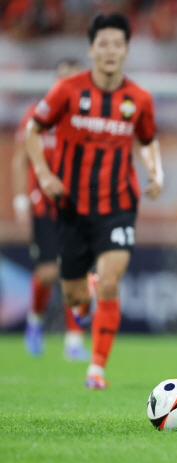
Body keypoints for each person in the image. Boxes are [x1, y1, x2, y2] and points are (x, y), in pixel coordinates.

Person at [26, 13, 164, 389]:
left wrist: (156, 172)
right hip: (71, 208)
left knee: (109, 282)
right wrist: (44, 174)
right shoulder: (67, 90)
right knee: (75, 295)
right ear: (91, 49)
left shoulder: (139, 98)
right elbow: (32, 130)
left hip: (118, 205)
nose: (109, 51)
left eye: (117, 44)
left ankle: (96, 369)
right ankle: (81, 300)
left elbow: (148, 139)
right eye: (102, 43)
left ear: (126, 50)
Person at [13, 58, 90, 360]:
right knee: (47, 273)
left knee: (76, 272)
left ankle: (73, 340)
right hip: (43, 202)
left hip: (77, 204)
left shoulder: (87, 118)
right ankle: (35, 321)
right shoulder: (36, 115)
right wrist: (21, 198)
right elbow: (20, 158)